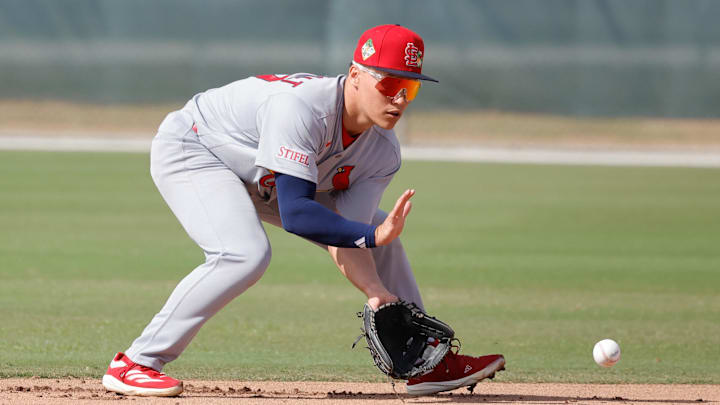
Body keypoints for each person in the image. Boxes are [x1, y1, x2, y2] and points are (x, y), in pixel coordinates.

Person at [101, 24, 505, 397]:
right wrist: (366, 237)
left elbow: (346, 235)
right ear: (357, 74)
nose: (399, 98)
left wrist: (377, 292)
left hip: (266, 174)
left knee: (382, 236)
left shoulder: (381, 151)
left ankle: (425, 363)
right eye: (390, 83)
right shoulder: (303, 108)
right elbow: (296, 213)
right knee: (244, 254)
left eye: (411, 88)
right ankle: (136, 361)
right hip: (198, 148)